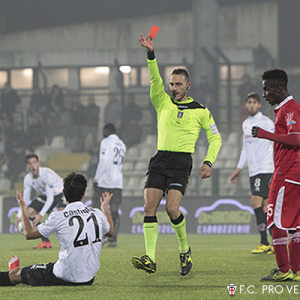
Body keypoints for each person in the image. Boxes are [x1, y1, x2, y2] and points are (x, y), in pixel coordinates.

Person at [131, 34, 222, 276]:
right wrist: (151, 54)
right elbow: (154, 78)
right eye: (172, 84)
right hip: (160, 159)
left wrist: (208, 162)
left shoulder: (201, 111)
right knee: (149, 207)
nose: (173, 88)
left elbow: (215, 137)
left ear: (188, 86)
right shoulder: (162, 101)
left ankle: (184, 249)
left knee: (172, 209)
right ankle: (150, 258)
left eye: (178, 84)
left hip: (181, 162)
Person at [0, 173, 114, 286]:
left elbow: (29, 234)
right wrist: (105, 209)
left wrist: (23, 208)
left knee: (16, 274)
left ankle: (13, 271)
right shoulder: (97, 213)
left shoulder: (58, 216)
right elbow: (110, 232)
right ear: (83, 195)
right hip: (88, 278)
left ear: (63, 193)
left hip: (64, 275)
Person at [252, 69, 300, 281]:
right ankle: (297, 271)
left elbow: (296, 140)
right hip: (291, 172)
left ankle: (283, 271)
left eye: (267, 89)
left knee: (274, 221)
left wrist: (265, 135)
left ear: (278, 89)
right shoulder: (285, 109)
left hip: (288, 172)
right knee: (295, 224)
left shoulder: (290, 109)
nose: (264, 95)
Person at [230, 92, 274, 254]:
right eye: (248, 102)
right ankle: (275, 242)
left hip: (266, 168)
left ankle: (264, 242)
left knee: (255, 200)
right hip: (253, 170)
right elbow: (245, 148)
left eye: (254, 102)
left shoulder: (266, 122)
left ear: (259, 105)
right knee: (265, 206)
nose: (251, 105)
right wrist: (238, 168)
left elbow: (275, 142)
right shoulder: (246, 124)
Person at [15, 154, 66, 249]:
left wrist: (40, 215)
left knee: (62, 215)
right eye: (30, 163)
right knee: (29, 213)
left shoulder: (47, 174)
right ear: (27, 166)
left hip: (60, 193)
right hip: (46, 195)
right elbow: (25, 199)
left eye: (34, 162)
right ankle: (46, 242)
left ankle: (69, 241)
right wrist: (19, 216)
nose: (33, 165)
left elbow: (51, 198)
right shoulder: (28, 179)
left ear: (38, 163)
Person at [93, 123, 126, 247]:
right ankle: (113, 239)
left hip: (105, 180)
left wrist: (96, 178)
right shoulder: (122, 144)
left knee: (99, 208)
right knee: (115, 210)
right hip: (118, 181)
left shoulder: (106, 142)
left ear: (107, 131)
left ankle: (100, 236)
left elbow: (104, 161)